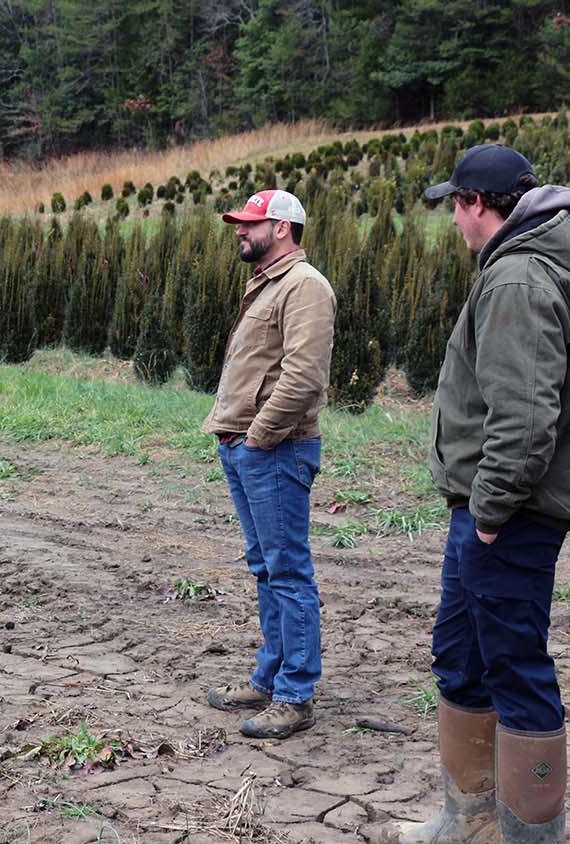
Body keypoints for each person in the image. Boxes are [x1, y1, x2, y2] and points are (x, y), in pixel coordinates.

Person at [379, 145, 570, 844]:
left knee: (514, 665)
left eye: (455, 205)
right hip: (489, 509)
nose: (452, 220)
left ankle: (530, 836)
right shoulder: (524, 267)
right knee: (461, 654)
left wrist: (490, 512)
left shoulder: (518, 278)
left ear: (478, 204)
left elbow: (525, 415)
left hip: (509, 513)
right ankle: (469, 822)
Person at [200, 189, 336, 739]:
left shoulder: (305, 287)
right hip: (243, 447)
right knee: (265, 567)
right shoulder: (267, 284)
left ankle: (295, 695)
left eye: (250, 223)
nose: (239, 230)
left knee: (288, 572)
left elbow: (305, 377)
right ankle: (270, 675)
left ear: (283, 228)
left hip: (275, 449)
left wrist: (258, 439)